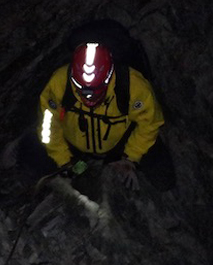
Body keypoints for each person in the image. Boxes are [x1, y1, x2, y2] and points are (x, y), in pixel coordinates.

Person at [20, 40, 175, 194]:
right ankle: (76, 172)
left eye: (96, 90)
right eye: (81, 89)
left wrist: (130, 157)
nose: (88, 97)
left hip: (120, 145)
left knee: (164, 178)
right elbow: (48, 127)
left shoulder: (132, 86)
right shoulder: (58, 84)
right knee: (32, 157)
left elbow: (150, 123)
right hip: (75, 147)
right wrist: (65, 161)